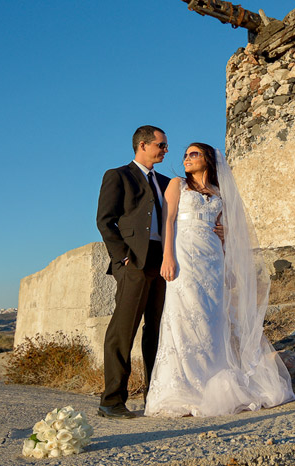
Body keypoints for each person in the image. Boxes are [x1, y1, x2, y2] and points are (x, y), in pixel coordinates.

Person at [144, 142, 295, 417]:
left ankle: (211, 385)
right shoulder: (178, 185)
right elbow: (168, 220)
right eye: (185, 155)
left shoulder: (219, 193)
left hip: (212, 260)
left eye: (194, 154)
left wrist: (226, 239)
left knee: (213, 320)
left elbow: (229, 231)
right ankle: (184, 388)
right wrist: (168, 257)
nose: (186, 159)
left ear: (209, 160)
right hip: (184, 257)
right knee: (183, 318)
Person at [95, 125, 171, 419]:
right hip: (133, 263)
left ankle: (156, 395)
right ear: (143, 145)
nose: (165, 150)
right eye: (161, 145)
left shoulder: (166, 182)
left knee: (156, 330)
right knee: (122, 331)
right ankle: (112, 400)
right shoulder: (118, 175)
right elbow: (105, 221)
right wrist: (124, 257)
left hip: (162, 263)